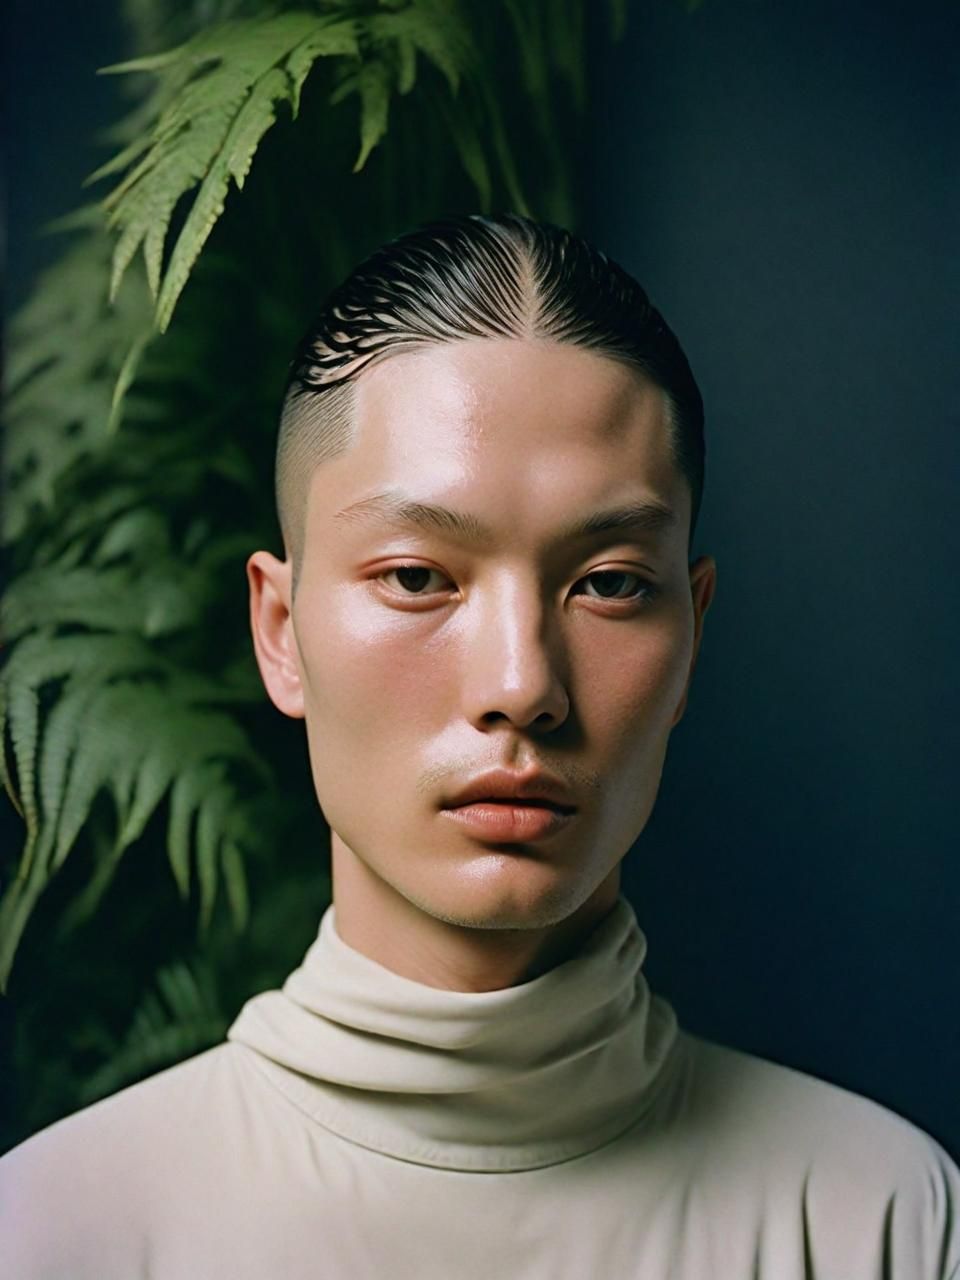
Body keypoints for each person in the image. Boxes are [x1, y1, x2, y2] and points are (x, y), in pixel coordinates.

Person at [1, 212, 957, 1279]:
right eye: (417, 576)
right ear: (281, 632)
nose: (522, 685)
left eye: (607, 583)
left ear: (691, 635)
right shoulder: (53, 1230)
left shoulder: (885, 1220)